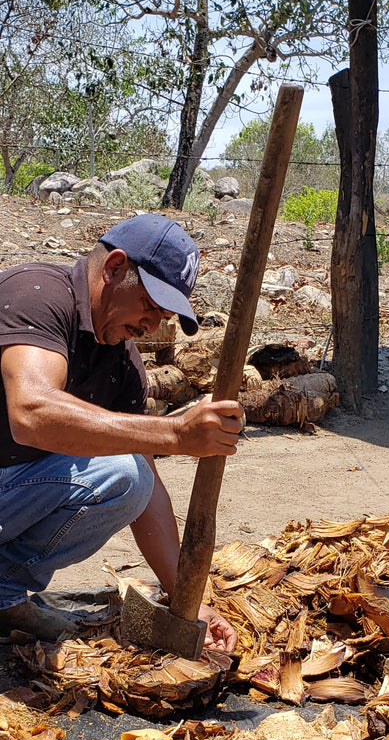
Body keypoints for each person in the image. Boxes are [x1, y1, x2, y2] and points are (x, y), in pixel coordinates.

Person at [0, 213, 243, 649]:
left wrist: (186, 598)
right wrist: (174, 434)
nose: (152, 326)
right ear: (113, 267)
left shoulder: (121, 363)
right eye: (150, 306)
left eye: (164, 315)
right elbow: (31, 411)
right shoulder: (36, 293)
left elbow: (144, 485)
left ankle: (2, 593)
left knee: (129, 478)